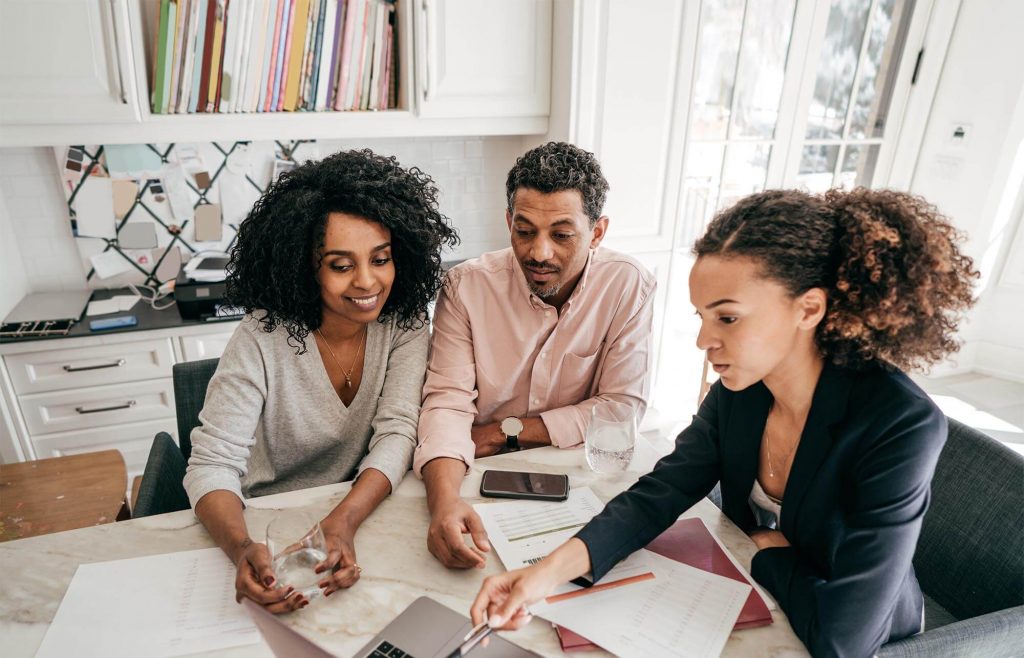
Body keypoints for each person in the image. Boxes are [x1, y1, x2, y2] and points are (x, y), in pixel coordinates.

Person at [468, 188, 978, 657]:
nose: (704, 341)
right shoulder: (742, 390)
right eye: (701, 317)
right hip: (761, 603)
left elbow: (845, 637)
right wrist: (539, 577)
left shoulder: (898, 424)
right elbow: (661, 492)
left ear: (809, 308)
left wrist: (767, 555)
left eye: (727, 318)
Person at [183, 149, 458, 614]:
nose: (368, 283)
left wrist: (343, 521)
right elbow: (210, 464)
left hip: (361, 508)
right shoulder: (262, 335)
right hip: (265, 518)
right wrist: (240, 547)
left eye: (381, 258)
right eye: (341, 264)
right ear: (306, 267)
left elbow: (398, 431)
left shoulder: (405, 322)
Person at [415, 142, 657, 569]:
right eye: (524, 231)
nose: (539, 252)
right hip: (473, 473)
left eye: (562, 235)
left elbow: (622, 409)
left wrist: (503, 431)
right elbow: (446, 404)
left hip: (581, 480)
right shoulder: (465, 287)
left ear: (597, 233)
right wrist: (444, 503)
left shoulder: (627, 285)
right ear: (509, 221)